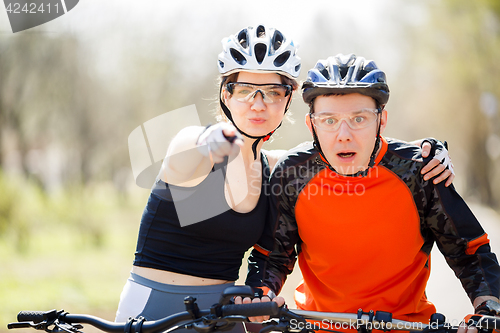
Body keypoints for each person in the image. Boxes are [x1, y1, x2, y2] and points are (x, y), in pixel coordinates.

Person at [115, 25, 452, 328]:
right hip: (156, 309)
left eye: (273, 92)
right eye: (245, 90)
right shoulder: (193, 143)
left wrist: (426, 151)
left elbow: (344, 148)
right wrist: (224, 138)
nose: (258, 104)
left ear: (287, 100)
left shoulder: (273, 166)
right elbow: (197, 147)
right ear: (226, 94)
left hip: (226, 312)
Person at [243, 54, 500, 331]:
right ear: (311, 125)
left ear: (382, 120)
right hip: (315, 325)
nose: (343, 134)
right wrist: (261, 293)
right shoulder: (292, 173)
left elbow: (469, 252)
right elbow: (273, 254)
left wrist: (488, 310)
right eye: (329, 120)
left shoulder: (420, 172)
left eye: (359, 118)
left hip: (405, 326)